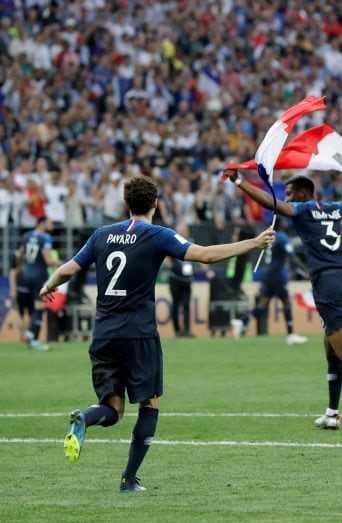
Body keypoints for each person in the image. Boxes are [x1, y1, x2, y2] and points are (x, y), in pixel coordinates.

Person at [39, 175, 275, 494]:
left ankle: (85, 417)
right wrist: (253, 243)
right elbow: (204, 255)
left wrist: (48, 285)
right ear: (155, 204)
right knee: (149, 404)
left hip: (104, 333)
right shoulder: (157, 234)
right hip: (139, 334)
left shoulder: (101, 234)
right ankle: (128, 480)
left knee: (113, 408)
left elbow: (68, 268)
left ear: (126, 204)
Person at [223, 168, 342, 430]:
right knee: (330, 346)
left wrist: (239, 181)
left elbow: (272, 204)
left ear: (302, 192)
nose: (286, 198)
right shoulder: (333, 208)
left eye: (289, 193)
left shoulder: (305, 209)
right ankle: (332, 413)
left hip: (327, 282)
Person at [252, 221, 308, 345]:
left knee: (262, 305)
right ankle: (290, 334)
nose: (286, 223)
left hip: (267, 274)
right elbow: (292, 256)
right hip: (277, 275)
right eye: (284, 221)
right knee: (287, 303)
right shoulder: (282, 236)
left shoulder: (271, 237)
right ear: (279, 225)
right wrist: (306, 270)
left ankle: (242, 321)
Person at [16, 216, 61, 350]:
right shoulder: (46, 238)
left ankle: (32, 337)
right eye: (49, 222)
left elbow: (20, 255)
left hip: (25, 275)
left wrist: (20, 268)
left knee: (31, 308)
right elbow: (48, 261)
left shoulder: (27, 235)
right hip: (39, 275)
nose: (52, 224)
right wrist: (60, 263)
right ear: (42, 223)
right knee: (40, 306)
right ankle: (32, 335)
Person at [168, 222, 196, 337]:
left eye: (185, 229)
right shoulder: (172, 241)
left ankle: (186, 330)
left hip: (187, 280)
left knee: (186, 305)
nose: (184, 231)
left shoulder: (191, 241)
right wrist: (170, 265)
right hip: (175, 278)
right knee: (175, 305)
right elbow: (165, 256)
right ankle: (177, 331)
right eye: (181, 229)